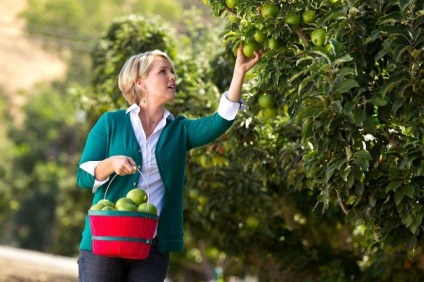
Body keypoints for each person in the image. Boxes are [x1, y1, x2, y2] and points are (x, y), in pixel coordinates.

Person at [76, 45, 262, 282]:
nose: (172, 76)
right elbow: (83, 176)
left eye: (172, 71)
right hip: (102, 242)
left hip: (151, 246)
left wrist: (239, 74)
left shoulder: (179, 130)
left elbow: (221, 120)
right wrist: (112, 163)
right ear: (140, 82)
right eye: (163, 71)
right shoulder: (111, 123)